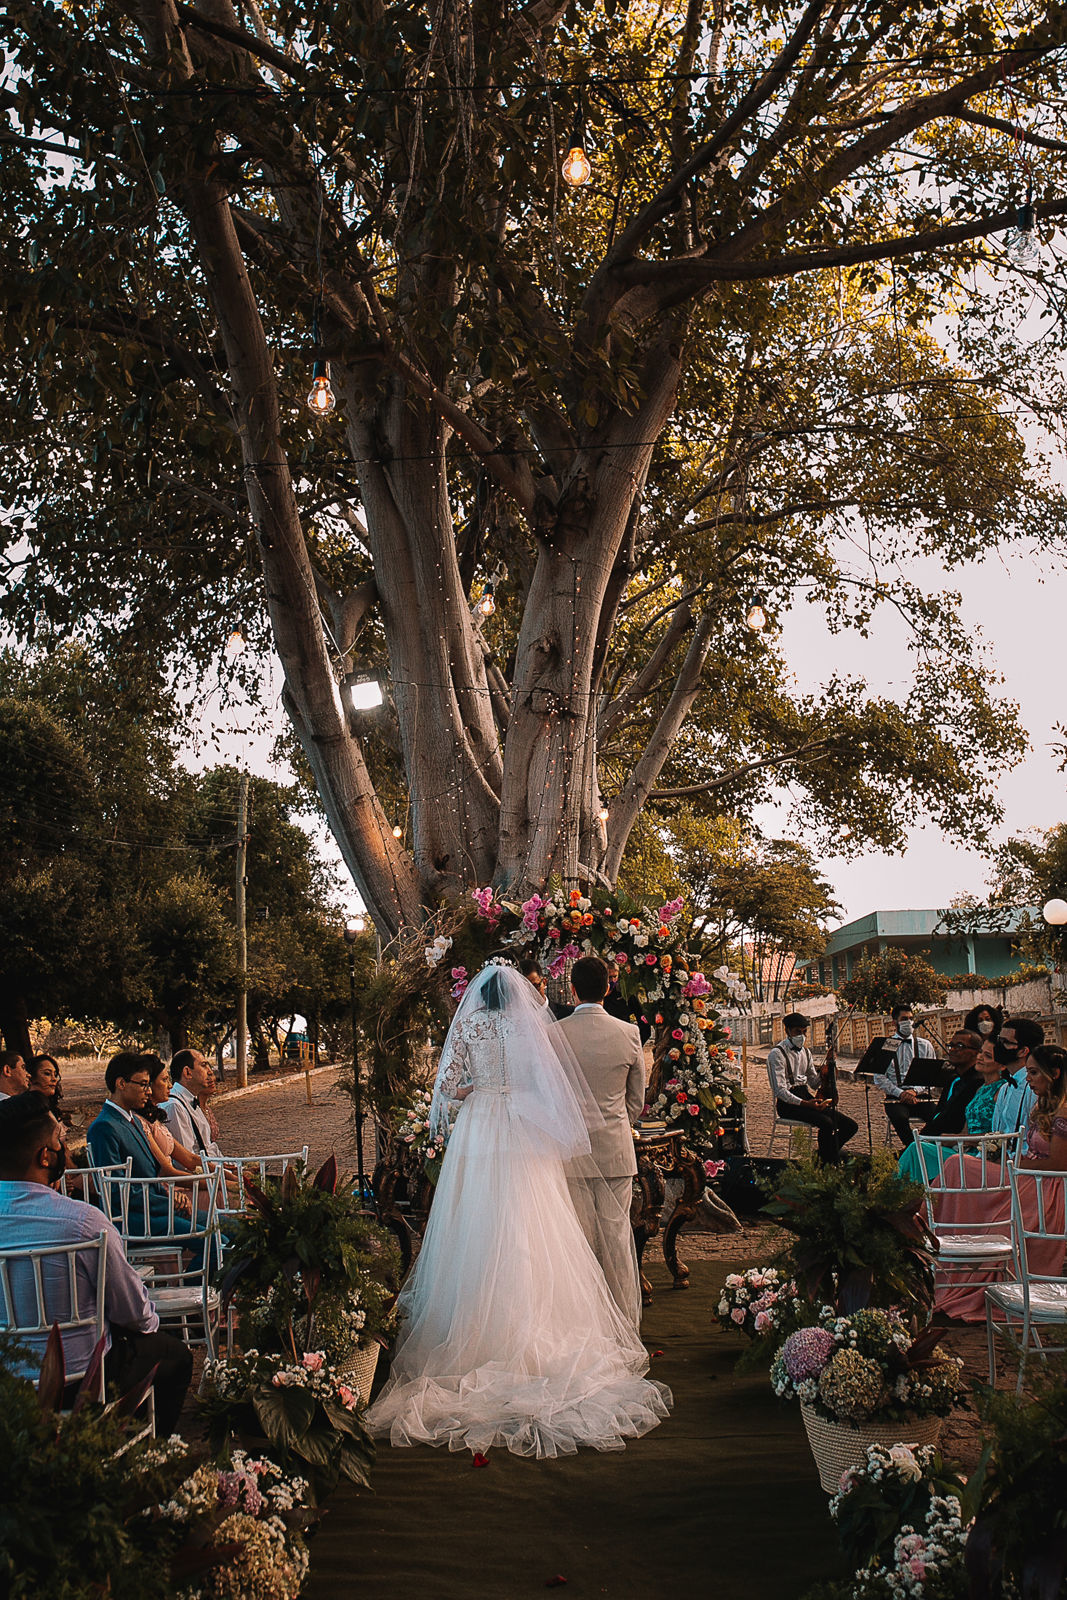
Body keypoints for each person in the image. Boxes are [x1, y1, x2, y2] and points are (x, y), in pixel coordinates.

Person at [364, 963, 671, 1458]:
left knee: (477, 1221)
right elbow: (546, 1085)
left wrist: (471, 1092)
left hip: (481, 1127)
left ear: (479, 998)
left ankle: (474, 1328)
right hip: (523, 1129)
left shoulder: (469, 1025)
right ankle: (542, 1326)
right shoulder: (533, 1029)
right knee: (533, 1225)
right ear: (518, 997)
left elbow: (448, 1085)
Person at [0, 1092, 192, 1433]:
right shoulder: (84, 1223)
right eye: (61, 1141)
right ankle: (133, 1457)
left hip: (7, 1384)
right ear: (46, 1157)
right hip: (79, 1382)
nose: (66, 1150)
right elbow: (137, 1316)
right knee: (175, 1355)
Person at [555, 955, 646, 1327]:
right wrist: (615, 1119)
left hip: (570, 1154)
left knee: (578, 1244)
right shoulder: (628, 1033)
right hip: (615, 1152)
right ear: (608, 988)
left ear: (572, 990)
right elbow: (636, 1101)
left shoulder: (553, 1035)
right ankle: (626, 1324)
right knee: (617, 1239)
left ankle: (584, 1328)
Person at [87, 1054, 194, 1238]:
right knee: (217, 1238)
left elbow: (152, 1175)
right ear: (121, 1084)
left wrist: (171, 1197)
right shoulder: (105, 1126)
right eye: (143, 1084)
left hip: (156, 1210)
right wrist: (167, 1203)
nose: (149, 1091)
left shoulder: (132, 1120)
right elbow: (116, 1191)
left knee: (225, 1227)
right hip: (135, 1221)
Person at [765, 1013, 858, 1163]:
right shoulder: (777, 1054)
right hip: (788, 1104)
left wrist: (826, 1071)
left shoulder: (806, 1052)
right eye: (797, 1032)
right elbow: (780, 1091)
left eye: (804, 1032)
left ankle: (823, 1156)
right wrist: (806, 1104)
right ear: (787, 1031)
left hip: (807, 1097)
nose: (801, 1036)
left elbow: (813, 1083)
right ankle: (828, 1161)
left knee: (850, 1125)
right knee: (827, 1123)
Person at [896, 1030, 984, 1182]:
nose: (953, 1050)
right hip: (936, 1136)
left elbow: (954, 1118)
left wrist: (930, 1138)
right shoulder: (953, 1079)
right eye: (951, 1045)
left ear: (976, 1053)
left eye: (960, 1046)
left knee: (914, 1151)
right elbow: (940, 1113)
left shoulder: (976, 1082)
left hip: (953, 1142)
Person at [873, 1006, 936, 1147]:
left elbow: (931, 1076)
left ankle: (920, 1146)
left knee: (938, 1117)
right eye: (904, 1019)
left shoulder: (925, 1045)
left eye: (910, 1018)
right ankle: (913, 1148)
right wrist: (901, 1093)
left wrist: (914, 1091)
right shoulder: (886, 1045)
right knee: (899, 1118)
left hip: (919, 1094)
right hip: (895, 1096)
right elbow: (879, 1078)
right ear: (895, 1022)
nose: (909, 1022)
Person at [164, 1050, 223, 1160]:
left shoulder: (192, 1100)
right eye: (204, 1066)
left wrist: (233, 1167)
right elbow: (187, 1160)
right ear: (187, 1072)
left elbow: (209, 1148)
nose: (210, 1072)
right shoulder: (174, 1106)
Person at [1016, 1043, 1067, 1170]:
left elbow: (1058, 1164)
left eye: (1033, 1072)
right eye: (1027, 1072)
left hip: (1051, 1183)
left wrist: (1012, 1165)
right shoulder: (1042, 1106)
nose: (1028, 1079)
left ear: (1055, 1073)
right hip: (1034, 1177)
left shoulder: (1064, 1111)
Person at [990, 1016, 1043, 1137]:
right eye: (999, 1040)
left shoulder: (1034, 1088)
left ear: (1023, 1051)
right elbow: (998, 1131)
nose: (999, 1046)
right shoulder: (1005, 1088)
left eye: (1006, 1042)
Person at [28, 1055, 63, 1121]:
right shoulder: (27, 1108)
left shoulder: (47, 1105)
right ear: (31, 1077)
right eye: (47, 1073)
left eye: (55, 1075)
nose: (54, 1079)